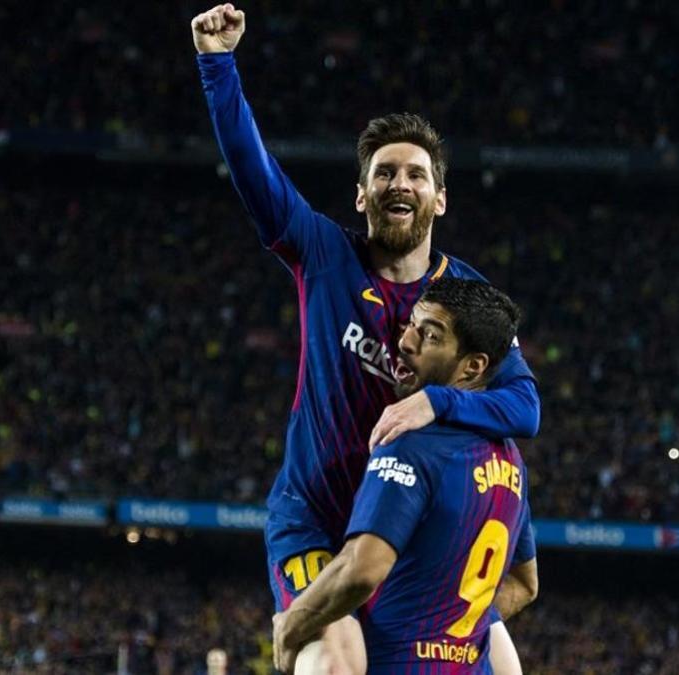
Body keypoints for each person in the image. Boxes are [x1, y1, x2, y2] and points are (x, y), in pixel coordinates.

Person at [191, 5, 541, 674]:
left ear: (440, 198)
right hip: (319, 523)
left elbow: (525, 407)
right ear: (361, 195)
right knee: (337, 658)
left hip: (415, 529)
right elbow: (252, 169)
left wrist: (436, 405)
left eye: (415, 174)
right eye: (383, 173)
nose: (398, 183)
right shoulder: (323, 253)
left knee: (504, 661)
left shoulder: (471, 298)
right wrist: (217, 65)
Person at [272, 279, 539, 673]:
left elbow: (362, 570)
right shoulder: (511, 461)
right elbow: (526, 584)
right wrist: (451, 637)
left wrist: (292, 623)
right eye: (410, 325)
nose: (405, 343)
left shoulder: (409, 442)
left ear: (473, 366)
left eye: (430, 336)